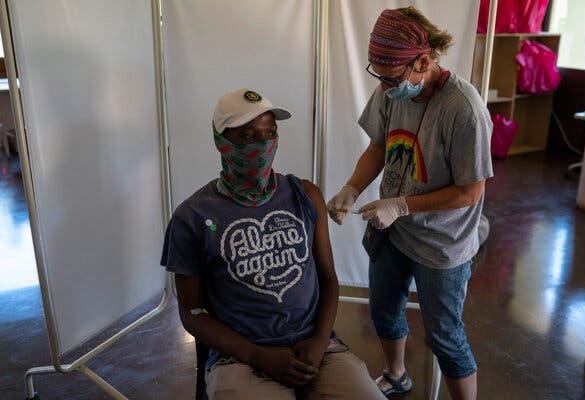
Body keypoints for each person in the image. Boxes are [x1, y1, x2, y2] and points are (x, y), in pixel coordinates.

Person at [161, 88, 386, 400]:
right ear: (221, 142)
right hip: (240, 359)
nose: (263, 144)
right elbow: (192, 313)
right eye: (248, 136)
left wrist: (320, 341)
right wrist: (257, 355)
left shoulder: (305, 196)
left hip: (315, 348)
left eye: (270, 133)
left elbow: (328, 278)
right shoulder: (193, 216)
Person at [327, 7, 493, 400]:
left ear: (423, 60)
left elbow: (471, 192)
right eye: (378, 77)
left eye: (391, 78)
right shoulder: (392, 86)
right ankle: (397, 374)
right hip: (394, 233)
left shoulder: (464, 110)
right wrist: (351, 188)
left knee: (445, 337)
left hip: (442, 245)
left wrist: (402, 205)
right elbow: (379, 146)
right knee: (383, 310)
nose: (384, 88)